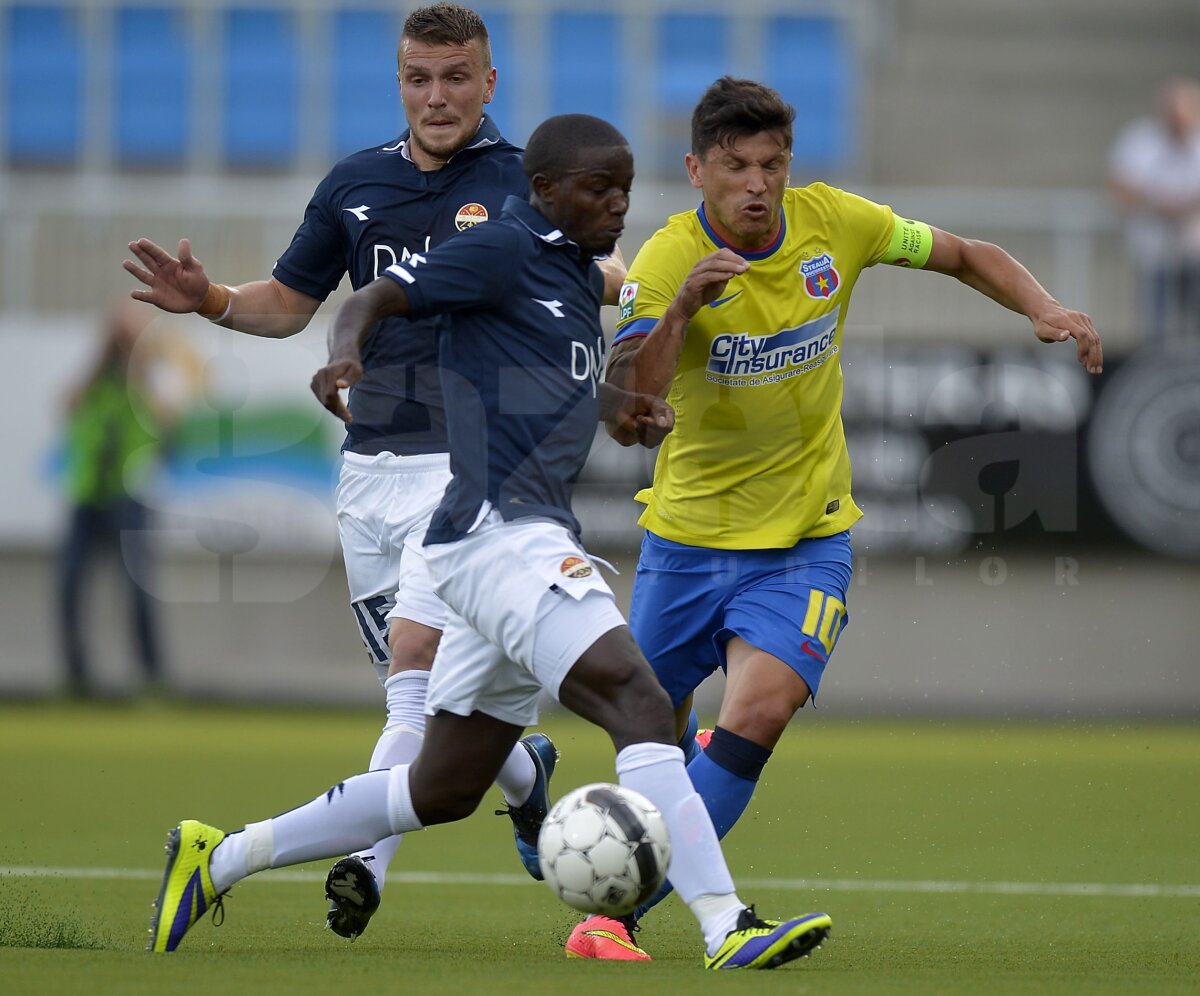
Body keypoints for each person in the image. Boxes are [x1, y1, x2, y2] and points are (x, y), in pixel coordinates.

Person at [147, 113, 831, 971]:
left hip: (490, 544)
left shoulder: (577, 277)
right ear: (545, 191)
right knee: (643, 704)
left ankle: (223, 856)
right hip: (499, 533)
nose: (617, 205)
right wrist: (346, 356)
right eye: (597, 189)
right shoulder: (505, 248)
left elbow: (556, 390)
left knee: (440, 788)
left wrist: (628, 410)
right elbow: (371, 295)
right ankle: (727, 924)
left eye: (623, 188)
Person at [565, 76, 1105, 962]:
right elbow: (627, 408)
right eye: (734, 166)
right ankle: (597, 824)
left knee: (762, 713)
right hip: (687, 541)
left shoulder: (835, 222)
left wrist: (1044, 307)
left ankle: (625, 916)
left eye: (771, 165)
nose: (756, 183)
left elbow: (964, 254)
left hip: (807, 539)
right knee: (650, 737)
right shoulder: (666, 260)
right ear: (696, 169)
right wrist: (688, 307)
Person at [124, 3, 623, 939]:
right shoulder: (353, 184)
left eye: (455, 77)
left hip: (471, 471)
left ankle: (361, 861)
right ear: (400, 82)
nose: (436, 97)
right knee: (441, 706)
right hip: (369, 476)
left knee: (414, 674)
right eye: (418, 79)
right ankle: (526, 774)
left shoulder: (526, 182)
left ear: (489, 82)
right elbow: (289, 300)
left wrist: (623, 298)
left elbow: (603, 268)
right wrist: (213, 301)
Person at [57, 301, 193, 698]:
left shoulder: (146, 380)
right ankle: (77, 676)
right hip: (87, 495)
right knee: (69, 587)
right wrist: (102, 359)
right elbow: (67, 405)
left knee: (137, 590)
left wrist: (138, 360)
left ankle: (152, 675)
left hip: (128, 497)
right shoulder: (96, 382)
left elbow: (167, 421)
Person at [1108, 78, 1200, 342]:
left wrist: (1177, 205)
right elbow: (1120, 186)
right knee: (1155, 320)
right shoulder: (1140, 140)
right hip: (1154, 251)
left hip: (1194, 250)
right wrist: (1163, 205)